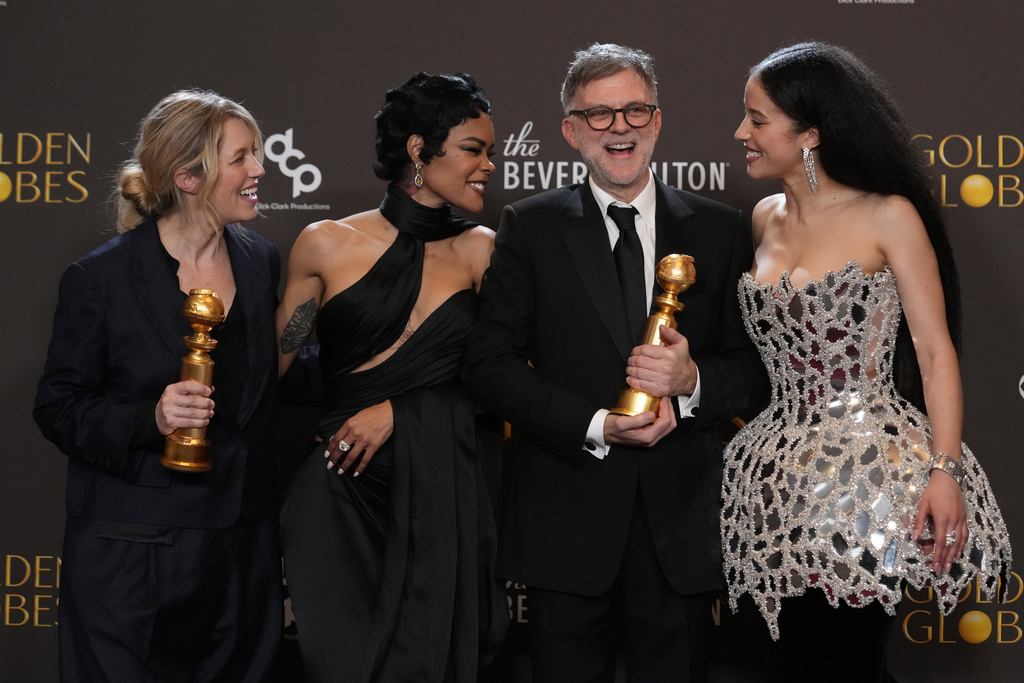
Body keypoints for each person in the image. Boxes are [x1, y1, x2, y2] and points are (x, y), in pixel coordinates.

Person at [462, 43, 769, 683]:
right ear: (571, 131)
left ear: (657, 121)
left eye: (635, 110)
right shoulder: (531, 226)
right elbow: (488, 365)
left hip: (681, 527)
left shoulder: (721, 229)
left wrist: (692, 384)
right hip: (566, 522)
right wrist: (596, 423)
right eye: (599, 116)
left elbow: (755, 369)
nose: (620, 128)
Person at [722, 42, 1013, 681]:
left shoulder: (888, 216)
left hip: (870, 479)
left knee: (849, 660)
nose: (741, 132)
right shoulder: (764, 217)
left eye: (757, 119)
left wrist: (946, 470)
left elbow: (935, 355)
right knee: (786, 661)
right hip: (777, 480)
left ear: (812, 135)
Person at [33, 90, 283, 681]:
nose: (260, 170)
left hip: (240, 553)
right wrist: (153, 418)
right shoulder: (100, 277)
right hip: (132, 556)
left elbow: (269, 377)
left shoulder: (262, 260)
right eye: (242, 157)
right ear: (189, 177)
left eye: (258, 154)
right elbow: (57, 406)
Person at [276, 72, 507, 683]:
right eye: (474, 149)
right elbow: (272, 368)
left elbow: (510, 384)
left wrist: (403, 411)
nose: (489, 165)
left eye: (491, 151)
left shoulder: (483, 252)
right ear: (417, 150)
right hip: (339, 494)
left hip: (442, 496)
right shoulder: (323, 244)